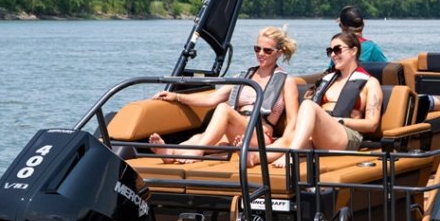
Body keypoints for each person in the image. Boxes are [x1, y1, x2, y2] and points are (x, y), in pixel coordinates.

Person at [149, 26, 300, 163]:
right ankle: (170, 153)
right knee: (198, 137)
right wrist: (176, 97)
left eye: (267, 51)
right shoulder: (243, 76)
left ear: (279, 53)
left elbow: (293, 120)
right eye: (257, 49)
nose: (260, 54)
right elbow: (211, 98)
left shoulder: (286, 81)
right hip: (235, 132)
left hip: (259, 135)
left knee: (223, 109)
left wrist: (286, 149)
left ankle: (198, 151)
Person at [264, 32, 383, 168]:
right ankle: (252, 157)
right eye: (330, 51)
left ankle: (292, 154)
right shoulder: (327, 80)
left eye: (337, 50)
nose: (333, 55)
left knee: (308, 105)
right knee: (287, 140)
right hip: (320, 135)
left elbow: (372, 124)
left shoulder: (370, 83)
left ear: (353, 51)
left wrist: (339, 121)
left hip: (346, 136)